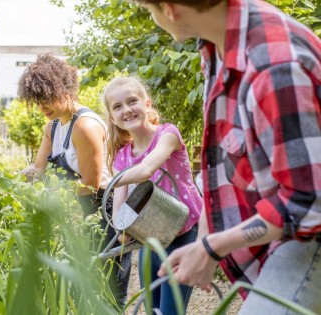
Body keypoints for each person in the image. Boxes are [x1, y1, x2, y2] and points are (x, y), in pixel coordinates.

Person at [129, 0, 321, 314]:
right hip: (284, 231)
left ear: (168, 9)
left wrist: (212, 247)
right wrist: (203, 244)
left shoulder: (274, 66)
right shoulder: (219, 44)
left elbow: (309, 202)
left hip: (308, 235)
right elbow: (218, 162)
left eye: (150, 10)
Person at [17, 54, 132, 308]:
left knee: (109, 293)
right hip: (80, 212)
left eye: (46, 98)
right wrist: (17, 181)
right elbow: (39, 169)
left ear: (63, 89)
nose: (42, 107)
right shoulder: (53, 127)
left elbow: (90, 183)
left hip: (106, 213)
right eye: (37, 102)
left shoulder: (85, 126)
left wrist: (54, 198)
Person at [102, 76, 203, 314]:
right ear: (112, 117)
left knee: (170, 312)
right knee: (152, 310)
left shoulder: (168, 135)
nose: (126, 110)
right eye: (117, 107)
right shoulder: (122, 158)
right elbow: (119, 219)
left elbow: (146, 170)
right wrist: (122, 230)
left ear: (147, 104)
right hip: (151, 241)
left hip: (183, 234)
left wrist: (112, 181)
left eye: (132, 101)